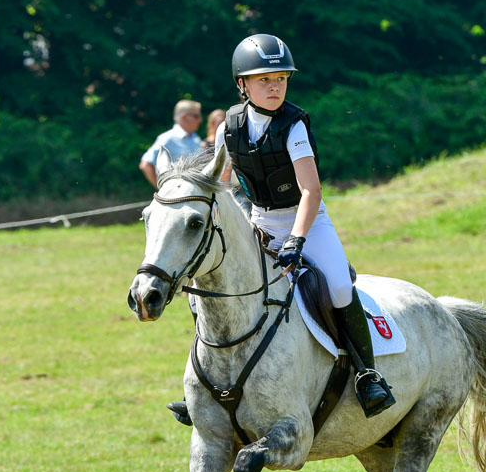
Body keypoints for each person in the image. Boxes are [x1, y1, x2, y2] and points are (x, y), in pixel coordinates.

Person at [168, 34, 395, 424]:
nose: (274, 88)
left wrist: (297, 239)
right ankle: (206, 386)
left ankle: (368, 374)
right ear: (242, 84)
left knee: (339, 286)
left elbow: (311, 191)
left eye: (280, 80)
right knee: (203, 292)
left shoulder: (294, 126)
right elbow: (220, 185)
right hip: (259, 220)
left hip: (306, 219)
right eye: (264, 80)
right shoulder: (230, 127)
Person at [139, 100, 203, 189]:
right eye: (196, 116)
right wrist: (162, 190)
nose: (200, 120)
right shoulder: (168, 138)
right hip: (176, 199)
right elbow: (146, 164)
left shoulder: (196, 139)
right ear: (184, 117)